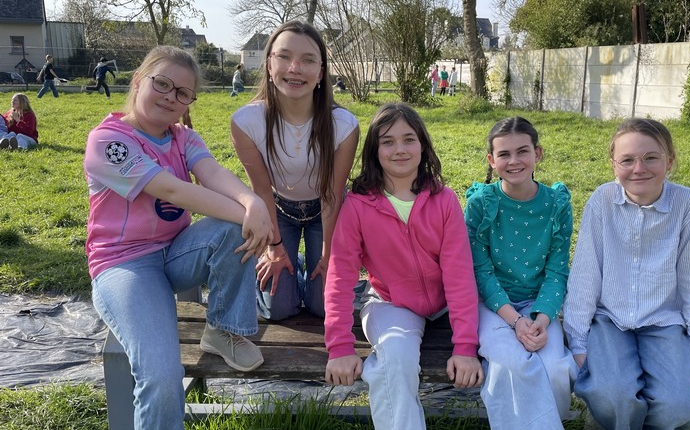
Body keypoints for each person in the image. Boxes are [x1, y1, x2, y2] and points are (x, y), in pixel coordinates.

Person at [83, 45, 273, 430]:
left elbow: (212, 173)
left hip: (175, 252)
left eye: (183, 93)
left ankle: (222, 330)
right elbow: (173, 190)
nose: (171, 97)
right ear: (138, 81)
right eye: (162, 84)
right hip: (125, 266)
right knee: (162, 377)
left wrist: (252, 202)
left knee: (233, 228)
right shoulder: (109, 141)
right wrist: (253, 218)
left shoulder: (183, 136)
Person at [324, 103, 484, 430]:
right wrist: (339, 346)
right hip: (391, 303)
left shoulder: (444, 200)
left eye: (409, 139)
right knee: (395, 356)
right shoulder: (357, 205)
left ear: (422, 146)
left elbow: (459, 275)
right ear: (375, 150)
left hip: (446, 306)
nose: (399, 149)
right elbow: (340, 276)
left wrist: (466, 347)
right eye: (388, 141)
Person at [563, 118, 690, 430]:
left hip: (665, 323)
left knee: (680, 408)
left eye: (651, 158)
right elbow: (585, 276)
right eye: (627, 160)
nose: (639, 169)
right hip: (610, 321)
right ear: (613, 165)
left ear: (669, 160)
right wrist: (578, 343)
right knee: (612, 397)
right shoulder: (602, 201)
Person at [230, 21, 359, 321]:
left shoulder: (344, 125)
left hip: (325, 213)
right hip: (277, 211)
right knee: (278, 309)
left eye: (308, 60)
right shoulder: (246, 122)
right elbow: (261, 189)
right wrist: (275, 248)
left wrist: (328, 254)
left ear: (321, 73)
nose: (295, 68)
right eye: (284, 56)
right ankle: (291, 264)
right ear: (269, 65)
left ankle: (309, 264)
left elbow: (332, 194)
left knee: (323, 307)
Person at [464, 117, 576, 429]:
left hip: (540, 305)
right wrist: (515, 320)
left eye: (522, 151)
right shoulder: (481, 204)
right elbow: (480, 271)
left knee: (555, 368)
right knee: (511, 364)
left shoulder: (557, 204)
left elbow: (557, 271)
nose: (514, 161)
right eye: (504, 154)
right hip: (492, 305)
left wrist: (541, 320)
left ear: (537, 154)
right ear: (492, 160)